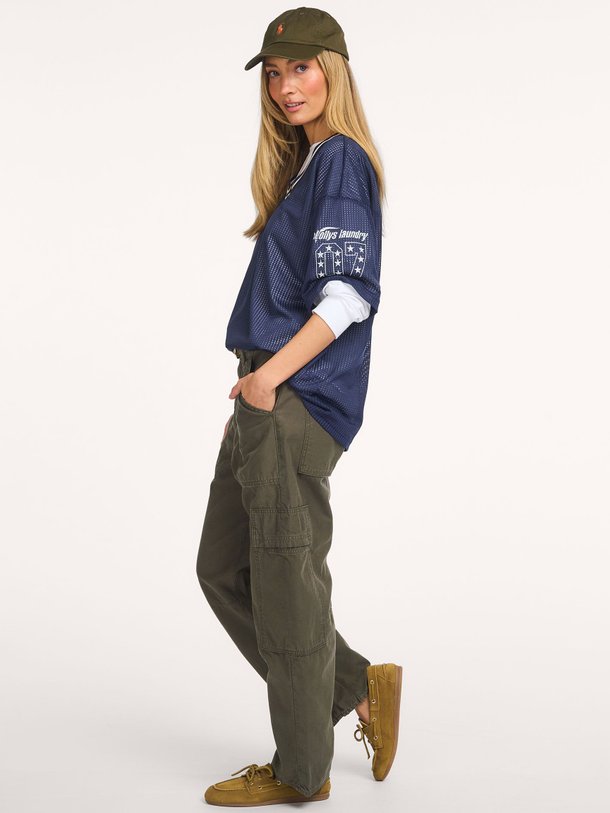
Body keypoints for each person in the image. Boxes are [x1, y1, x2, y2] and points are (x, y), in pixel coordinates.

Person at [196, 6, 403, 806]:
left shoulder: (342, 160)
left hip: (296, 399)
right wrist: (252, 390)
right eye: (276, 74)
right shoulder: (308, 165)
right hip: (265, 396)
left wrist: (270, 381)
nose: (286, 86)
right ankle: (357, 685)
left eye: (302, 69)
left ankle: (301, 770)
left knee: (284, 581)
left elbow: (347, 298)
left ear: (334, 72)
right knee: (225, 568)